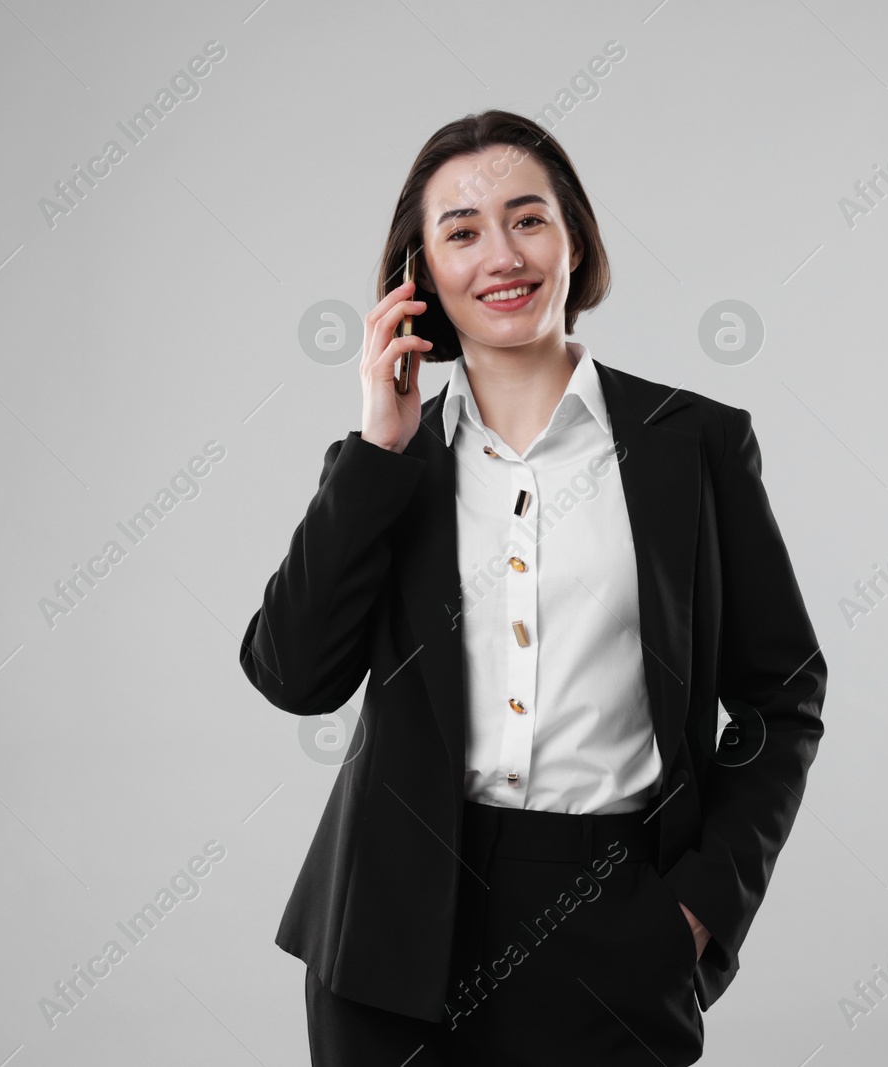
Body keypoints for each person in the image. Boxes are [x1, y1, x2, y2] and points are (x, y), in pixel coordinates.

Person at [239, 109, 827, 1066]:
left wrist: (698, 912)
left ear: (575, 239)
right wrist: (375, 451)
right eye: (461, 232)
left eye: (528, 219)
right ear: (418, 275)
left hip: (611, 916)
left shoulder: (695, 445)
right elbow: (293, 675)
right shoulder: (389, 463)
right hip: (390, 933)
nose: (499, 256)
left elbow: (782, 697)